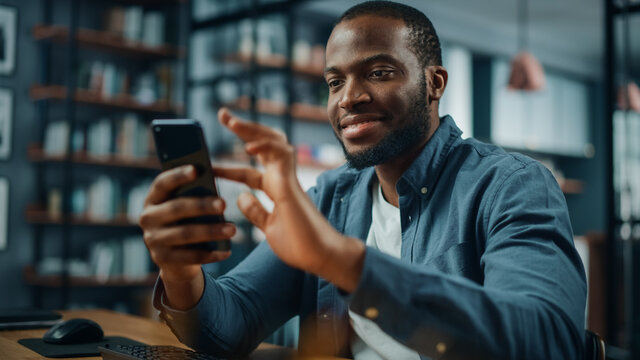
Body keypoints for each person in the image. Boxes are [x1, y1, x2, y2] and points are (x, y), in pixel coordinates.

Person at [139, 1, 587, 359]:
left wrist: (343, 260)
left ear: (434, 83)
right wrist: (180, 271)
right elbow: (231, 326)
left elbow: (548, 341)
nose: (349, 98)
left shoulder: (512, 185)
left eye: (378, 73)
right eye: (335, 82)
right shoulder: (329, 199)